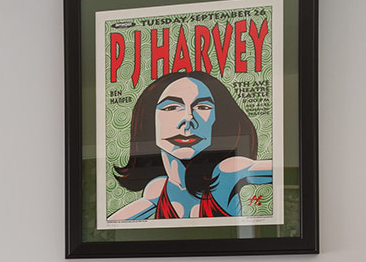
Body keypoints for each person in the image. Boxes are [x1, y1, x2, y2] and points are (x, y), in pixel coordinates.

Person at [107, 71, 273, 221]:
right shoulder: (157, 189)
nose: (188, 118)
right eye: (171, 107)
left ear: (217, 120)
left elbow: (282, 168)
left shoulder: (225, 174)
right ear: (149, 122)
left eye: (203, 107)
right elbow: (110, 226)